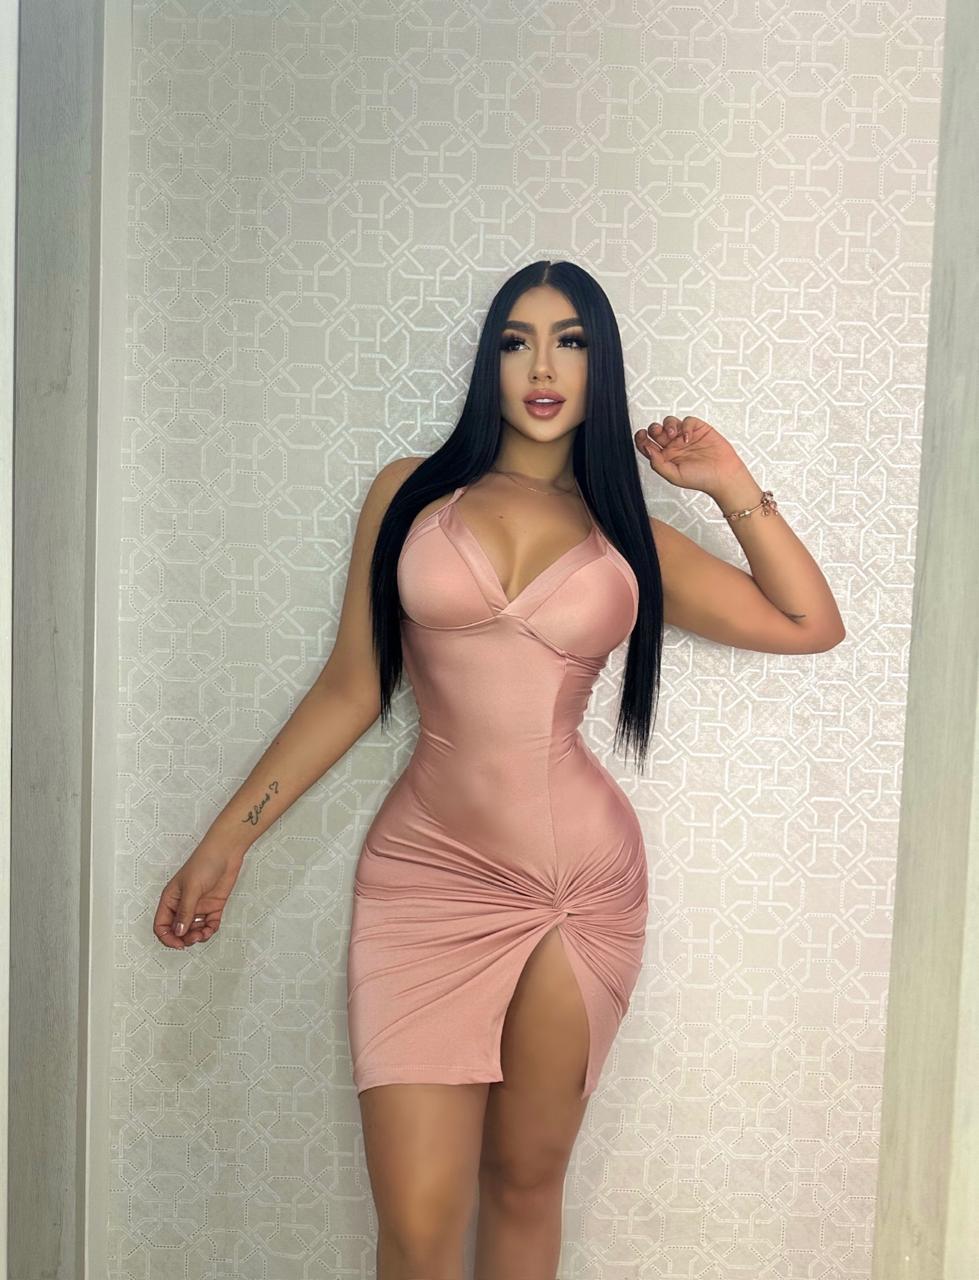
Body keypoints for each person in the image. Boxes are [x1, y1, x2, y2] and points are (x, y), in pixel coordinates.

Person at [153, 260, 846, 1279]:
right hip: (423, 880)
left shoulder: (628, 535)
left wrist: (731, 484)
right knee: (417, 1225)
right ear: (489, 361)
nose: (542, 366)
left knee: (524, 1184)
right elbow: (351, 686)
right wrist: (228, 841)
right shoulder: (410, 494)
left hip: (575, 888)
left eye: (571, 341)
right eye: (517, 340)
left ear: (601, 365)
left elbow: (808, 621)